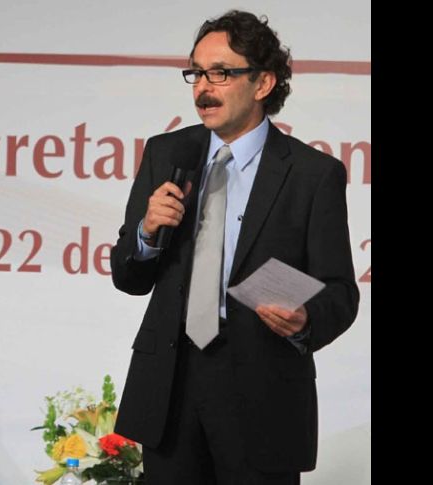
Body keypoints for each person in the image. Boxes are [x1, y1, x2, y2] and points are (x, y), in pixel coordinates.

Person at [110, 10, 359, 484]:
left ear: (263, 82)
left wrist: (305, 318)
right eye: (197, 73)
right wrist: (145, 233)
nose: (203, 89)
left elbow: (340, 293)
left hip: (263, 395)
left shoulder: (312, 174)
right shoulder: (166, 153)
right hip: (170, 388)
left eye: (220, 73)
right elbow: (128, 276)